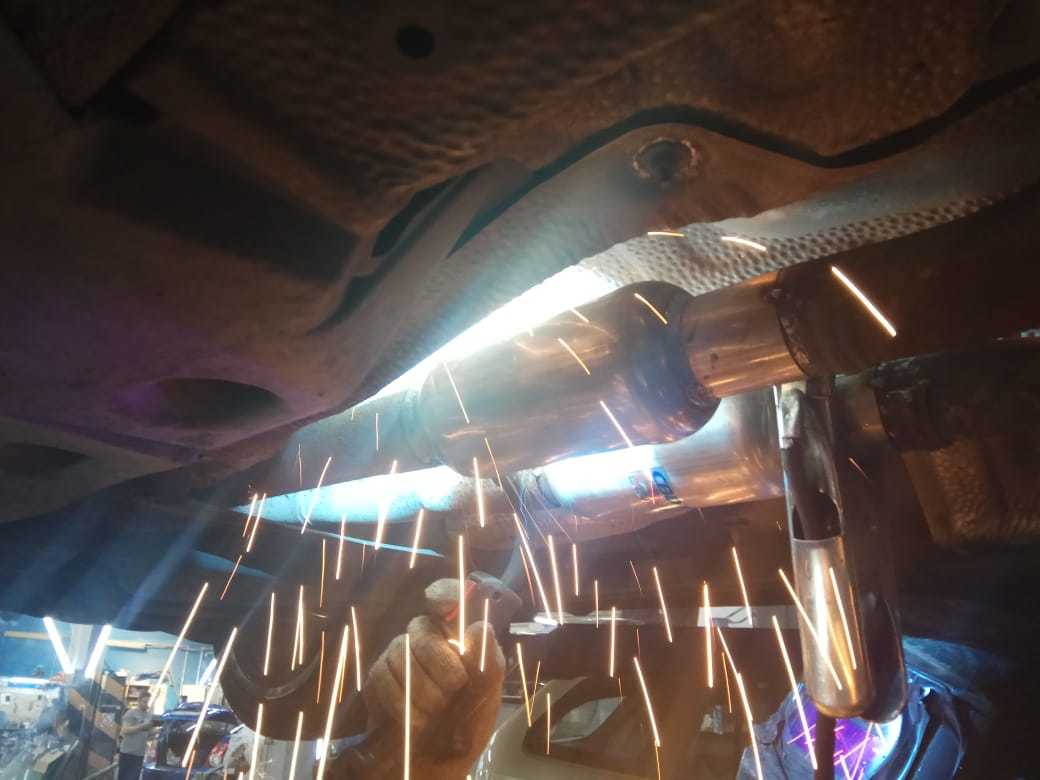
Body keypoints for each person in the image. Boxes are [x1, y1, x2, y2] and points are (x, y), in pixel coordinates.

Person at [117, 693, 153, 780]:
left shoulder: (149, 716)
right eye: (144, 701)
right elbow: (125, 730)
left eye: (148, 702)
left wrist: (158, 731)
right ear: (139, 701)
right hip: (127, 752)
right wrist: (142, 726)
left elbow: (147, 734)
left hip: (139, 754)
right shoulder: (130, 713)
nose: (146, 704)